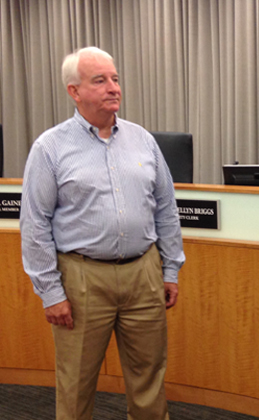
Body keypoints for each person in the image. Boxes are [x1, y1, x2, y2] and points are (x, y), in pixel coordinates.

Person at [20, 47, 185, 420]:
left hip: (144, 272)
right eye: (100, 81)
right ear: (74, 91)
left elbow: (166, 209)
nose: (113, 88)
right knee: (76, 383)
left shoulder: (143, 140)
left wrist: (170, 269)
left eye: (115, 78)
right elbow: (34, 225)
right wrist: (50, 292)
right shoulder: (50, 148)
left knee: (149, 379)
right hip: (81, 278)